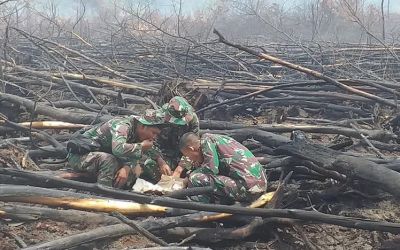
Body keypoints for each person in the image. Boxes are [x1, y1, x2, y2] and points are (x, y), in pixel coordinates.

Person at [66, 109, 170, 189]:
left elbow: (146, 151)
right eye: (153, 133)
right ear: (143, 126)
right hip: (80, 156)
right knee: (109, 160)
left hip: (99, 158)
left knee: (139, 166)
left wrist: (160, 161)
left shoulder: (138, 132)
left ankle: (89, 177)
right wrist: (141, 146)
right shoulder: (123, 125)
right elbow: (118, 149)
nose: (154, 137)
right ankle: (104, 192)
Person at [178, 132, 267, 204]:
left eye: (187, 155)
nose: (190, 159)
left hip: (249, 189)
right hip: (259, 185)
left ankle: (200, 204)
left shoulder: (206, 139)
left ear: (191, 148)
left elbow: (211, 169)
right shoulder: (218, 139)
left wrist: (190, 176)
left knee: (195, 178)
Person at [147, 96, 200, 181]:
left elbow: (194, 146)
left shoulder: (192, 119)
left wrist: (180, 168)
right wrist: (160, 161)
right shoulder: (157, 118)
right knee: (149, 164)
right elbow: (149, 143)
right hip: (164, 154)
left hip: (184, 155)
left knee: (196, 170)